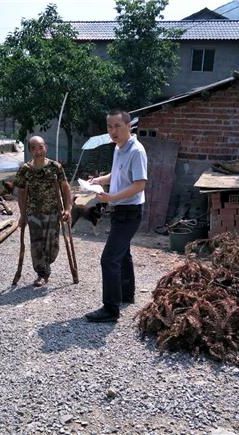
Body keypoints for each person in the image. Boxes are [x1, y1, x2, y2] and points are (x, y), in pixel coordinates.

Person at [85, 110, 148, 323]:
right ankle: (127, 295)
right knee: (123, 254)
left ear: (128, 126)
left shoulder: (136, 150)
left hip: (130, 212)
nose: (113, 131)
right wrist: (98, 181)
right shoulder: (119, 148)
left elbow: (139, 184)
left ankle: (111, 309)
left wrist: (111, 197)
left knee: (109, 259)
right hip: (120, 210)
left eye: (117, 126)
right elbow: (118, 174)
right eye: (110, 127)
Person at [15, 136, 72, 287]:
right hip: (33, 212)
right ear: (30, 151)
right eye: (33, 148)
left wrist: (67, 208)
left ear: (45, 147)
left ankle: (47, 264)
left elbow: (65, 188)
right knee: (36, 244)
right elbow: (21, 193)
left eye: (40, 147)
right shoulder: (25, 170)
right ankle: (41, 273)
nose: (38, 151)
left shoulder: (55, 167)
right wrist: (22, 214)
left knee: (52, 245)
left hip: (53, 211)